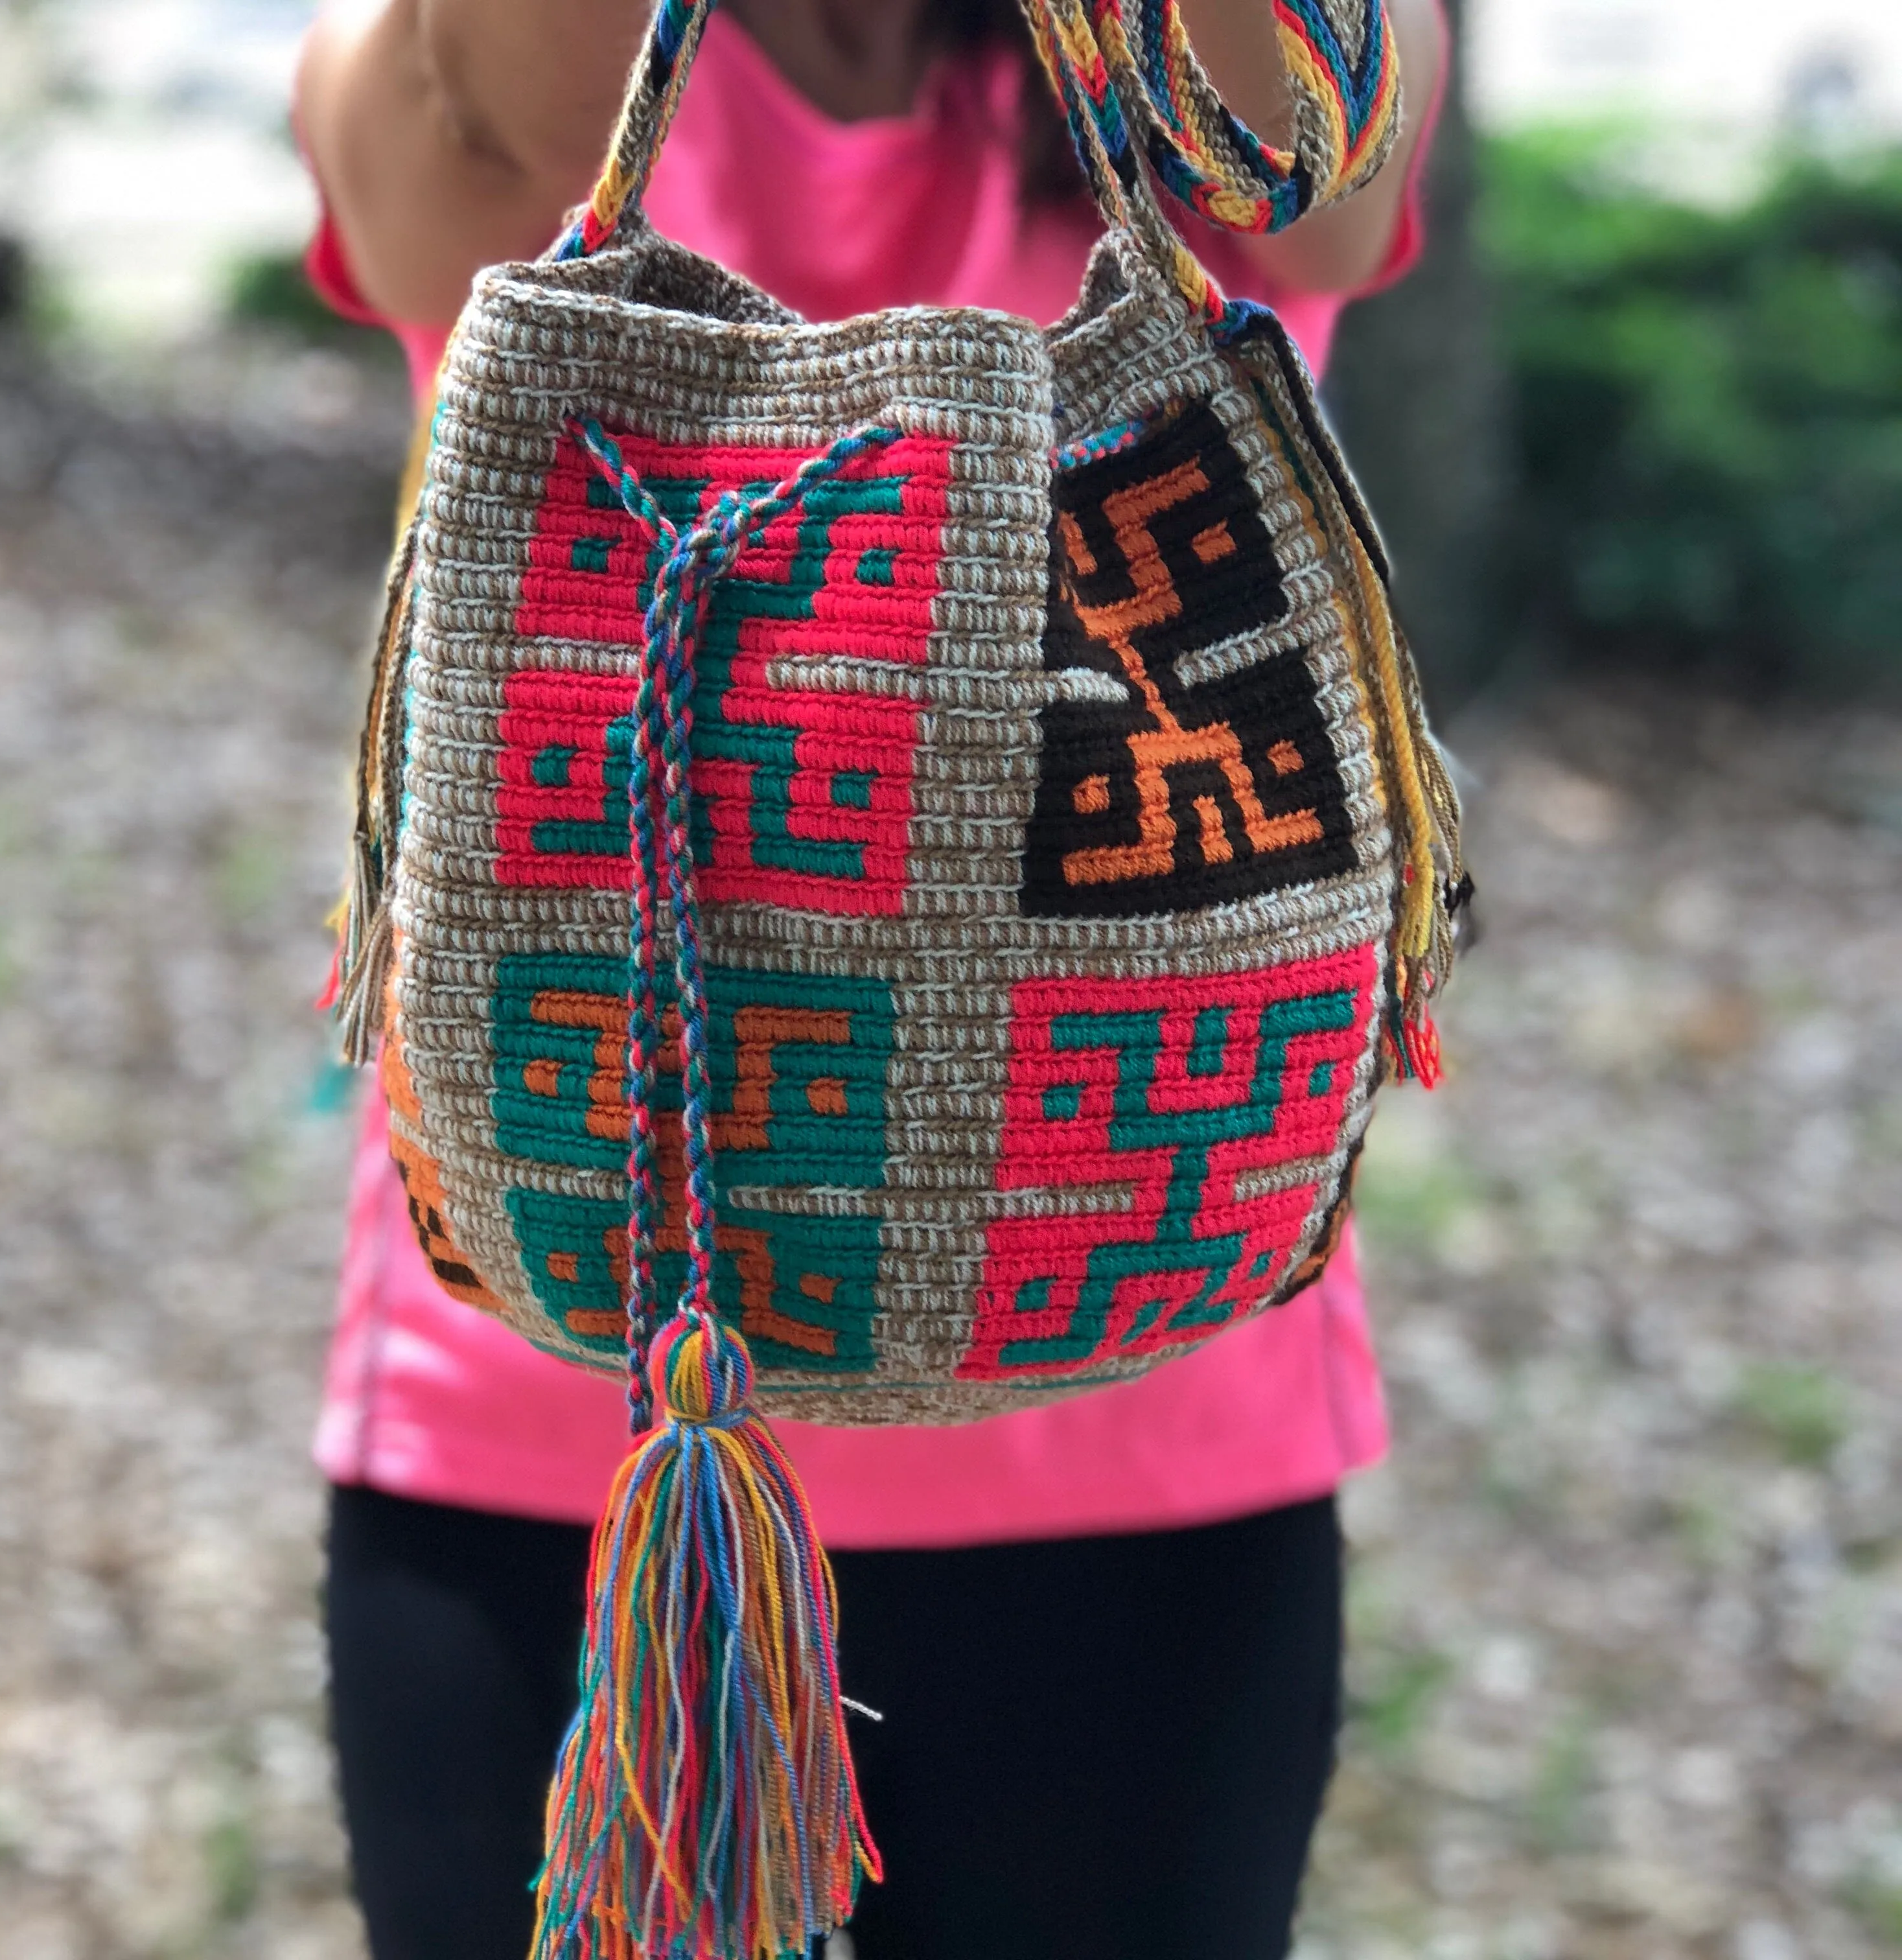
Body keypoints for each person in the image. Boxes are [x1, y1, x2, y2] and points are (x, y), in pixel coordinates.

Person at [295, 3, 1444, 1957]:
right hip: (561, 1452)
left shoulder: (1182, 57)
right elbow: (452, 170)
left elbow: (1323, 186)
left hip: (1147, 1456)